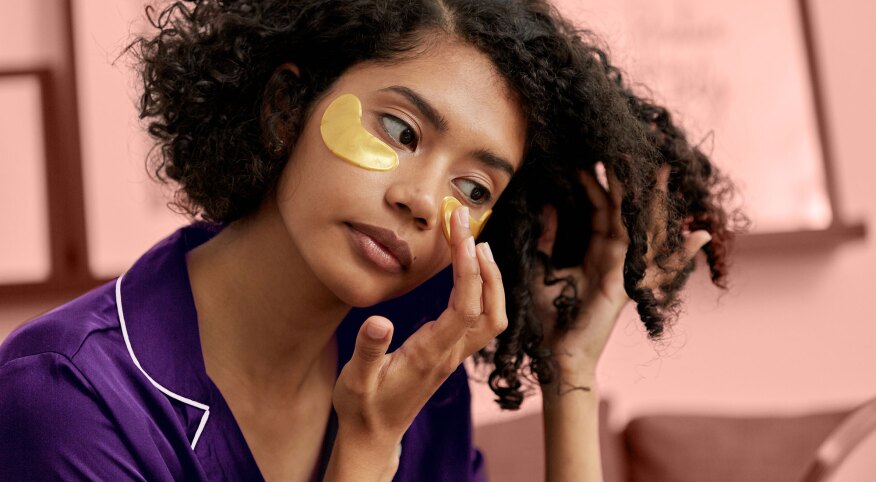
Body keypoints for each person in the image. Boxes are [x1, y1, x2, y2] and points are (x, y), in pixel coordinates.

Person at [0, 0, 738, 480]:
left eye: (473, 188)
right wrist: (365, 449)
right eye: (400, 130)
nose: (422, 200)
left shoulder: (407, 348)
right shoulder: (65, 400)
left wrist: (569, 375)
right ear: (288, 107)